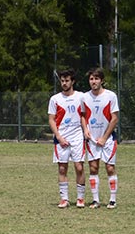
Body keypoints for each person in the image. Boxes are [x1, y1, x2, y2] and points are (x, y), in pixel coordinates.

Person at [47, 70, 86, 208]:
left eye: (67, 80)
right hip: (61, 138)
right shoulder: (55, 99)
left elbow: (84, 115)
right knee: (62, 169)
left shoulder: (81, 97)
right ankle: (64, 199)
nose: (64, 83)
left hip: (77, 138)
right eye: (62, 81)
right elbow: (51, 119)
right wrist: (59, 136)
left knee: (79, 167)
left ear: (72, 81)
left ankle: (80, 199)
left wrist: (86, 131)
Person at [81, 68, 119, 209]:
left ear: (102, 80)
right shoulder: (84, 97)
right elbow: (83, 116)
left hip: (108, 139)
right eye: (91, 79)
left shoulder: (111, 96)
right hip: (92, 140)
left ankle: (112, 200)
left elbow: (114, 118)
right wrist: (85, 129)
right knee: (93, 167)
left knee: (109, 168)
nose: (94, 81)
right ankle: (96, 200)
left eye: (96, 79)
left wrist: (104, 137)